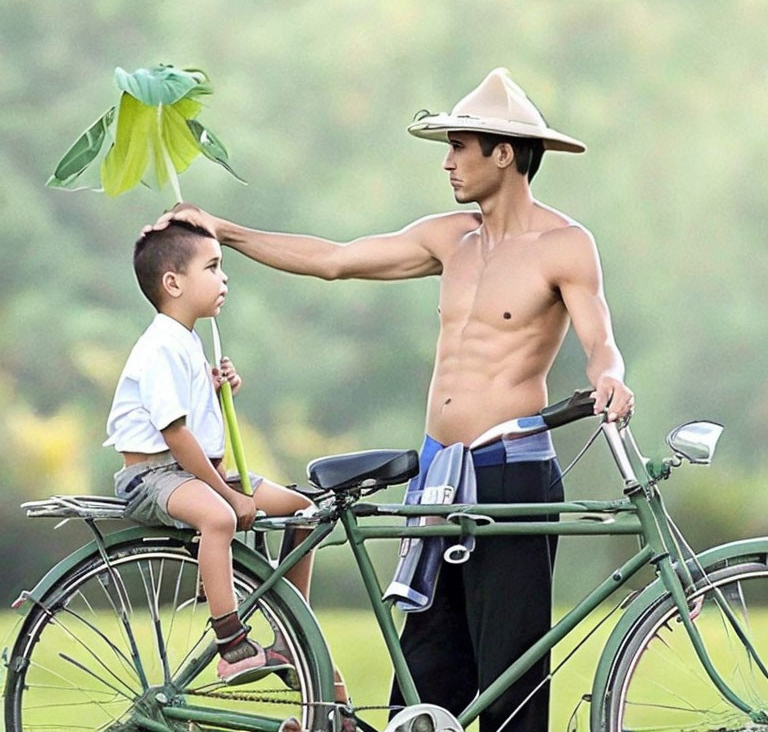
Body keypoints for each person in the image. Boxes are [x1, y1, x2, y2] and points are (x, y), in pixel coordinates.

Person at [148, 68, 634, 731]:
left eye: (460, 145)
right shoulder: (449, 238)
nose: (448, 161)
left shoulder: (565, 245)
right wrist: (223, 231)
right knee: (429, 670)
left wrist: (610, 374)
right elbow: (336, 259)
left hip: (511, 472)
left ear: (503, 152)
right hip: (439, 472)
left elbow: (599, 339)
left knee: (511, 674)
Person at [104, 219, 316, 687]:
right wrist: (228, 494)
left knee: (305, 512)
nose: (224, 278)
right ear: (173, 282)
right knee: (219, 518)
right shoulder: (159, 346)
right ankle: (232, 644)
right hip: (153, 478)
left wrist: (219, 391)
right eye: (213, 267)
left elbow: (197, 423)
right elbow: (176, 434)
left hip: (192, 475)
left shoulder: (187, 342)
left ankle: (290, 634)